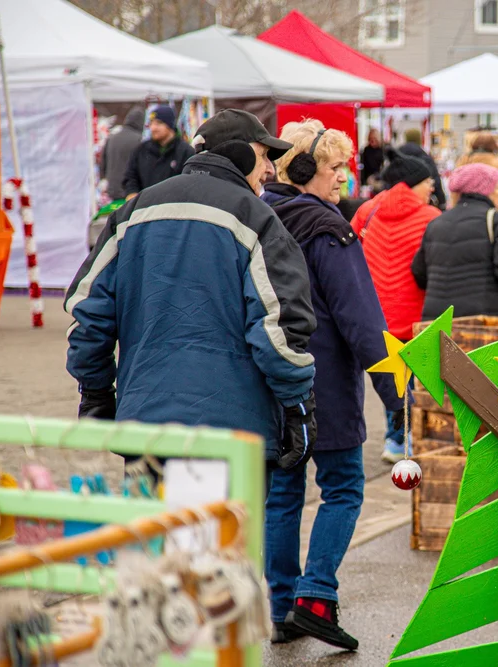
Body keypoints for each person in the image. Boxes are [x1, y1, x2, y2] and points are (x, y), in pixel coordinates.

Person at [65, 105, 318, 582]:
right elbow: (280, 329)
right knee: (219, 579)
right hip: (231, 436)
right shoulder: (256, 218)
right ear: (240, 154)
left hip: (147, 429)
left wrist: (96, 393)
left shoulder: (134, 212)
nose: (270, 170)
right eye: (265, 156)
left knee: (154, 573)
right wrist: (299, 406)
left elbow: (88, 316)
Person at [261, 119, 404, 651]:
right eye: (335, 167)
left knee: (283, 492)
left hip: (271, 381)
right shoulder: (328, 228)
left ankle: (281, 608)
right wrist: (395, 395)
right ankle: (316, 596)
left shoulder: (256, 221)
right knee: (343, 486)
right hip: (326, 387)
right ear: (303, 170)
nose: (344, 177)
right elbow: (362, 321)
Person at [351, 148, 440, 463]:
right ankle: (411, 438)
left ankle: (396, 439)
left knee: (393, 378)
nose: (432, 187)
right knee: (417, 380)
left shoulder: (367, 211)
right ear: (412, 184)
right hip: (417, 315)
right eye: (427, 182)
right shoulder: (431, 218)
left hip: (376, 315)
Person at [412, 163, 498, 321]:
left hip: (437, 320)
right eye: (496, 188)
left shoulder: (436, 223)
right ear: (484, 190)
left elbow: (419, 270)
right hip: (481, 318)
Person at [122, 105, 195, 199]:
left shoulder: (185, 151)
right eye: (151, 123)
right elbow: (130, 177)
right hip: (146, 205)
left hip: (175, 205)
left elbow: (191, 182)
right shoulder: (141, 150)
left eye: (158, 123)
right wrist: (132, 193)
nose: (153, 128)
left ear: (170, 125)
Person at [453, 132, 498, 218]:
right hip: (491, 209)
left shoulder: (465, 160)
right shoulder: (496, 161)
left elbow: (456, 185)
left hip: (465, 208)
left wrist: (454, 207)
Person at [100, 107, 144, 202]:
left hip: (112, 189)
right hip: (131, 192)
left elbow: (103, 165)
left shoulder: (111, 137)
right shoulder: (140, 140)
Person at [398, 128, 446, 210]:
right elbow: (436, 181)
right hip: (420, 203)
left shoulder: (397, 158)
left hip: (399, 202)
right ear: (419, 139)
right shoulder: (425, 158)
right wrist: (442, 202)